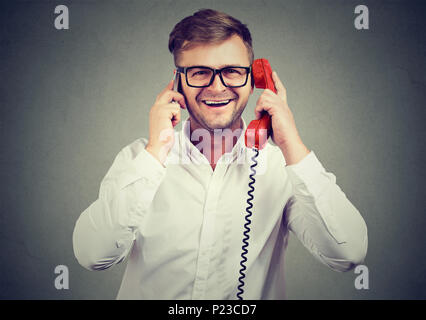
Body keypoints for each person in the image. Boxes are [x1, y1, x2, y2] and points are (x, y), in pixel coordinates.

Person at [72, 9, 368, 300]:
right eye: (199, 72)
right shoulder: (140, 159)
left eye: (232, 71)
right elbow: (92, 255)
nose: (217, 86)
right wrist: (157, 150)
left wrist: (291, 142)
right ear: (177, 82)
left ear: (254, 79)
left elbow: (348, 254)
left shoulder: (282, 168)